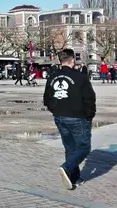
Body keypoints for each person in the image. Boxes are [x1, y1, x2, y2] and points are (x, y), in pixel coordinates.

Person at [43, 48, 96, 190]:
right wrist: (89, 115)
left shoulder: (52, 77)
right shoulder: (80, 77)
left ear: (60, 61)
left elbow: (47, 99)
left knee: (70, 148)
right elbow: (90, 98)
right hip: (78, 117)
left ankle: (74, 178)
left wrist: (55, 110)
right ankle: (67, 168)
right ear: (72, 60)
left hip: (60, 116)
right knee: (84, 147)